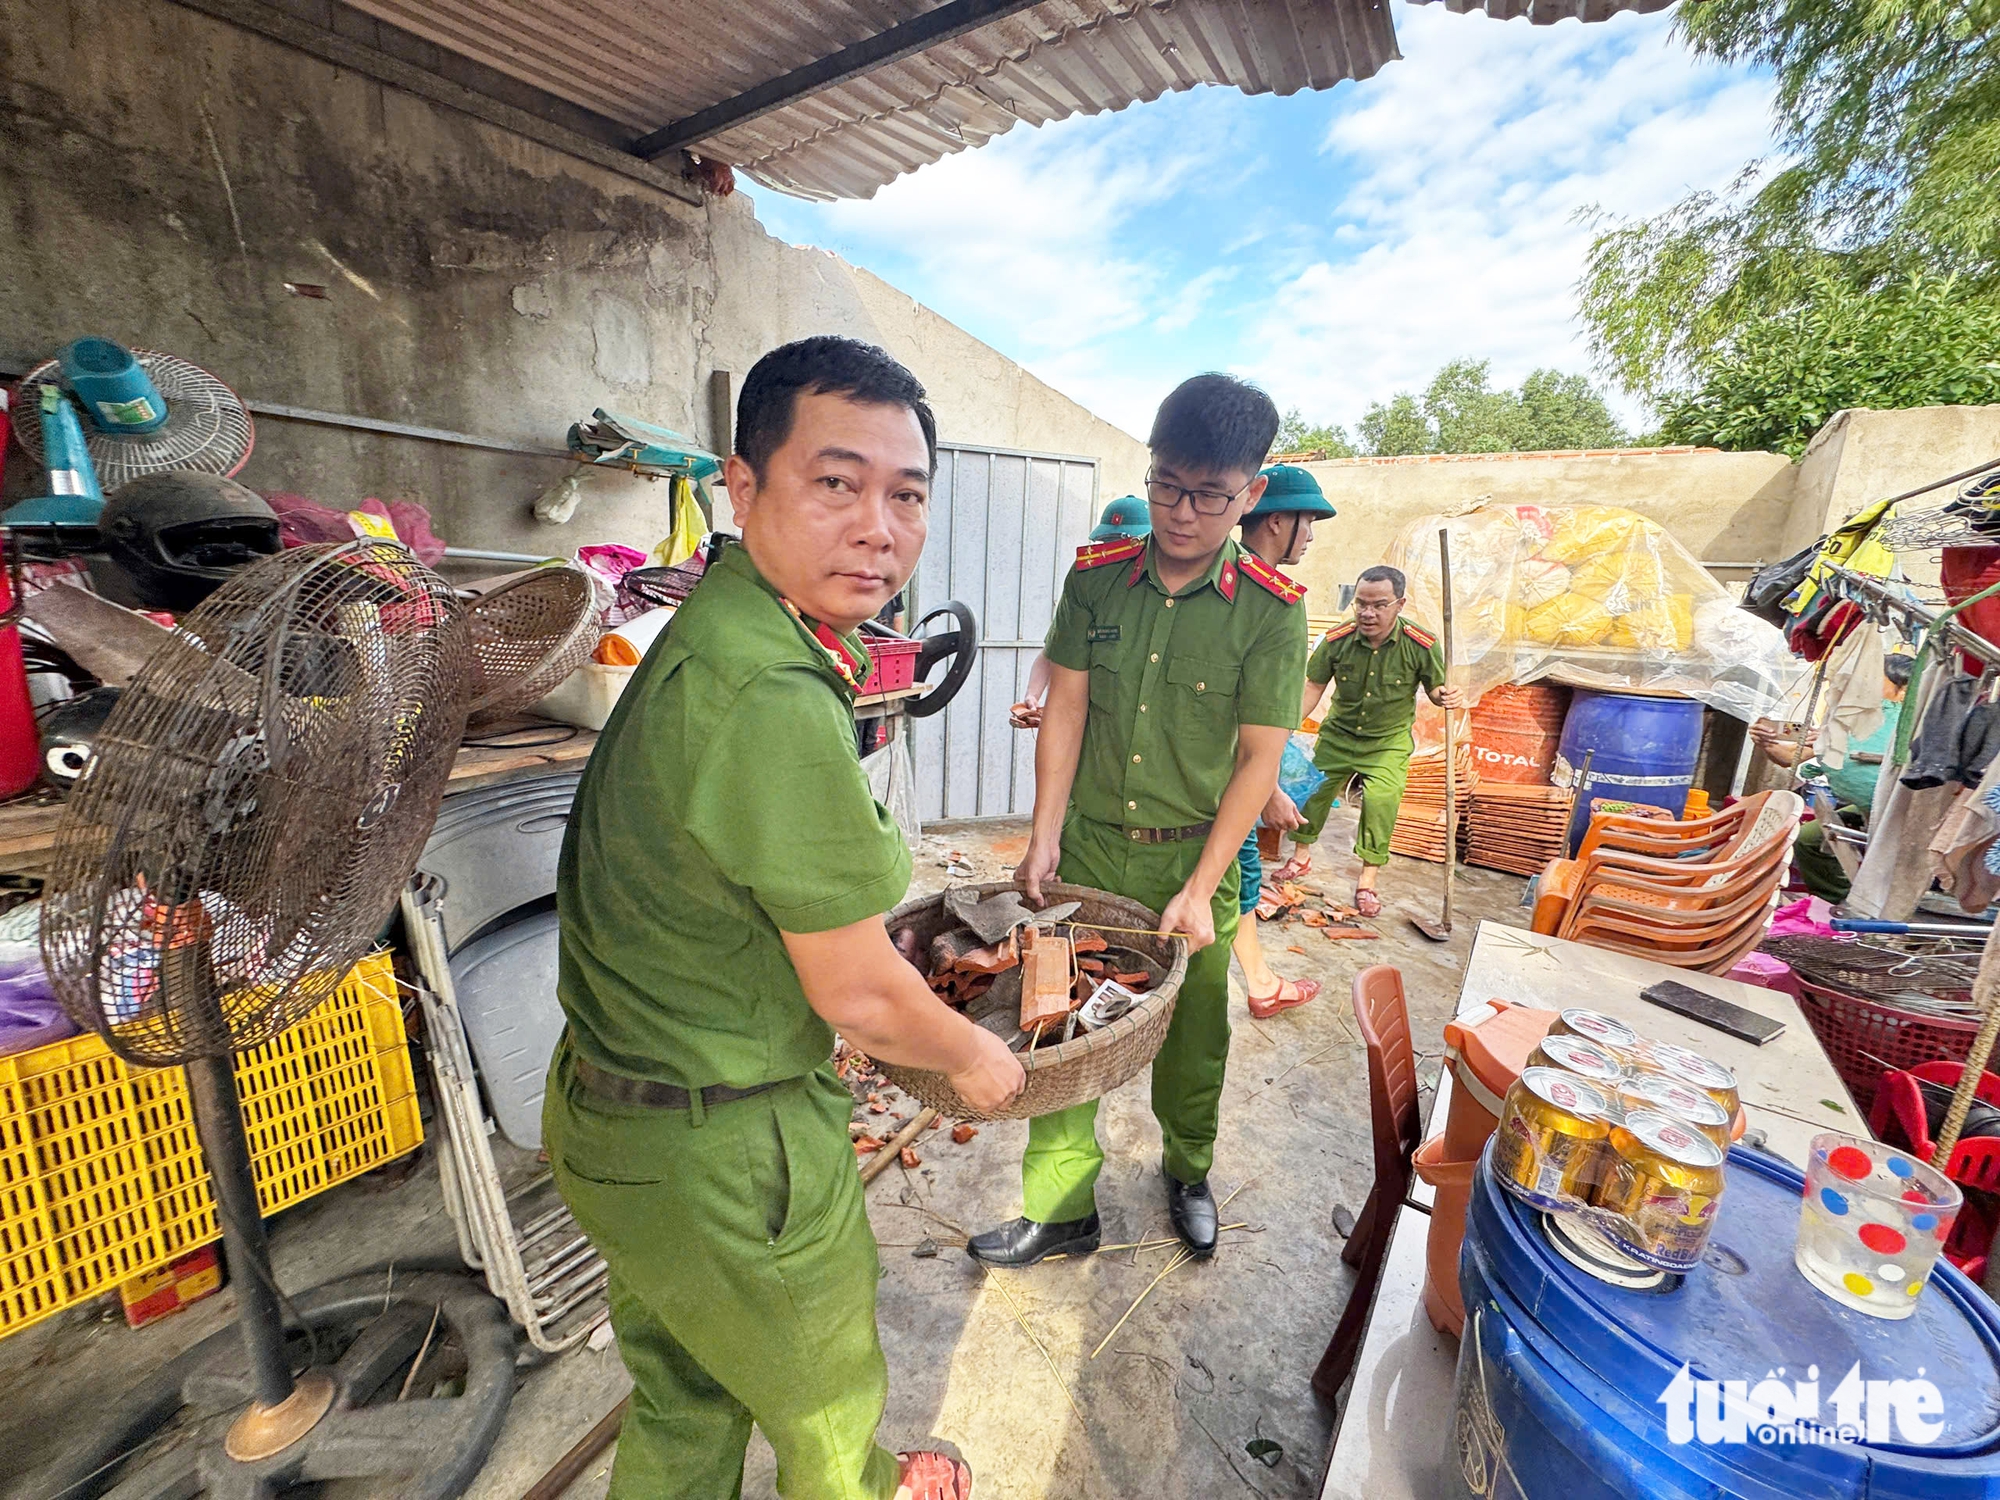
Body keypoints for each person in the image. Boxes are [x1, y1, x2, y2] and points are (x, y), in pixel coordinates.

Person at [546, 337, 1024, 1500]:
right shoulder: (766, 691)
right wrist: (975, 1055)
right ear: (743, 485)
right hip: (727, 1145)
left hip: (621, 1129)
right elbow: (860, 995)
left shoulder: (738, 634)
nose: (878, 527)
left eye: (904, 496)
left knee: (687, 1390)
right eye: (835, 482)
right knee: (825, 1419)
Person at [969, 374, 1308, 1268]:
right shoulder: (1097, 583)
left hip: (1192, 862)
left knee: (1195, 1033)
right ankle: (1062, 1207)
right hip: (1090, 849)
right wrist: (1043, 830)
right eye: (1167, 485)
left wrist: (1203, 888)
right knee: (1061, 1023)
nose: (1183, 512)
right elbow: (1069, 710)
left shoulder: (1272, 612)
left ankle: (1189, 1171)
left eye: (1209, 495)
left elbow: (1258, 760)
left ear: (1252, 493)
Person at [1273, 564, 1465, 917]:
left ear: (1400, 604)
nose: (1367, 613)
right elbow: (1313, 686)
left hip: (1387, 742)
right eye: (1361, 603)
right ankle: (1300, 859)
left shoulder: (1421, 645)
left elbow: (1436, 689)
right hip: (1339, 734)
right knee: (1311, 795)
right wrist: (1286, 725)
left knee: (1381, 802)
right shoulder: (1336, 640)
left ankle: (1367, 881)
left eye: (1378, 605)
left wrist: (1445, 696)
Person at [1231, 464, 1337, 1018]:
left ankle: (1260, 979)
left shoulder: (1249, 587)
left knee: (1238, 875)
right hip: (1227, 776)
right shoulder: (1259, 599)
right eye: (1308, 521)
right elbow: (1239, 711)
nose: (1312, 535)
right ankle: (1260, 984)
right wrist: (1266, 786)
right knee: (1238, 874)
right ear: (1276, 520)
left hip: (1234, 772)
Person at [1750, 653, 1913, 902]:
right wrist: (1767, 743)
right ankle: (1837, 901)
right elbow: (1788, 758)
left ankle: (1879, 908)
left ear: (1903, 691)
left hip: (1905, 810)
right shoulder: (1848, 718)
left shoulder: (1913, 722)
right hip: (1864, 808)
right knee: (1808, 840)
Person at [1010, 496, 1150, 730]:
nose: (1113, 557)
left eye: (1123, 547)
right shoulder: (1088, 590)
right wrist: (1032, 697)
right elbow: (1052, 653)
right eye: (1107, 545)